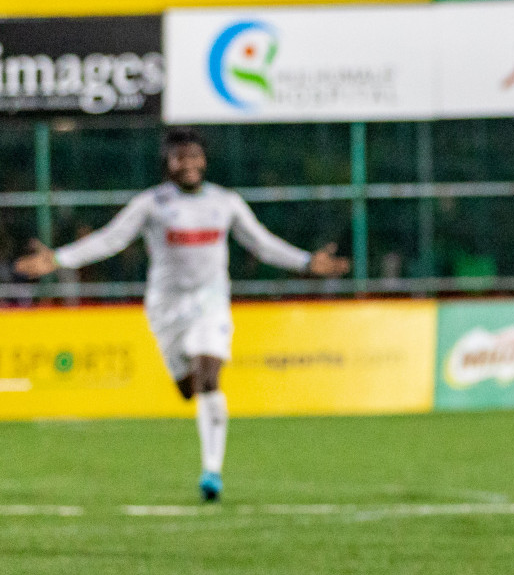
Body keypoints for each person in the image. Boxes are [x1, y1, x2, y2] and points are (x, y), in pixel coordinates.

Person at [13, 126, 350, 500]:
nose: (188, 164)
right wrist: (58, 258)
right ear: (168, 163)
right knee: (187, 389)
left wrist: (306, 262)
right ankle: (197, 408)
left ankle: (212, 472)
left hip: (210, 300)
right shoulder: (152, 204)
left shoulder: (226, 202)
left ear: (204, 160)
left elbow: (261, 243)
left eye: (194, 156)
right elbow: (111, 238)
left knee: (209, 378)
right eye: (180, 158)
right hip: (166, 306)